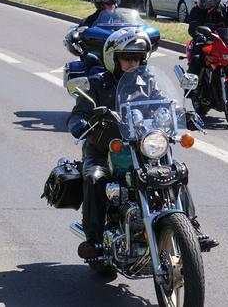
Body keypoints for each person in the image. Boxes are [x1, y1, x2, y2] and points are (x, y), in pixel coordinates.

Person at [68, 28, 218, 259]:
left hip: (142, 145)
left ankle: (192, 228)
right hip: (104, 149)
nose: (133, 63)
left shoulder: (146, 80)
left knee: (176, 171)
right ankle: (94, 238)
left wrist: (183, 114)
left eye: (137, 58)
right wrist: (81, 122)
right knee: (94, 178)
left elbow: (163, 102)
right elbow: (78, 113)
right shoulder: (98, 83)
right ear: (113, 58)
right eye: (127, 58)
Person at [187, 0, 228, 78]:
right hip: (203, 42)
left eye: (206, 1)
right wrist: (199, 36)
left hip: (223, 43)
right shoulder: (196, 10)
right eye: (202, 0)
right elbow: (193, 27)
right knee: (196, 59)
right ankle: (190, 90)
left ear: (215, 0)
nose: (203, 3)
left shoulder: (226, 9)